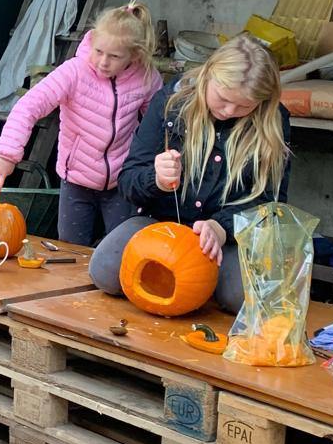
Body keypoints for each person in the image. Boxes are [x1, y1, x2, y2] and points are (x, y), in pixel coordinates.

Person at [89, 33, 290, 314]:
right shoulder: (171, 102)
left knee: (241, 298)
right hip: (161, 223)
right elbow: (128, 180)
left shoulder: (274, 120)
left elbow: (270, 203)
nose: (230, 111)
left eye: (244, 106)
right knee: (105, 272)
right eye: (222, 98)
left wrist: (222, 227)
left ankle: (201, 284)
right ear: (208, 76)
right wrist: (156, 179)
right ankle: (190, 284)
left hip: (226, 237)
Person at [0, 0, 161, 246]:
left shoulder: (145, 77)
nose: (103, 61)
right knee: (71, 250)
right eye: (99, 51)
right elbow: (28, 106)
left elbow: (158, 122)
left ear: (134, 56)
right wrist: (8, 154)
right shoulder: (74, 71)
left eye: (114, 56)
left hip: (121, 182)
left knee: (122, 250)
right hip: (76, 182)